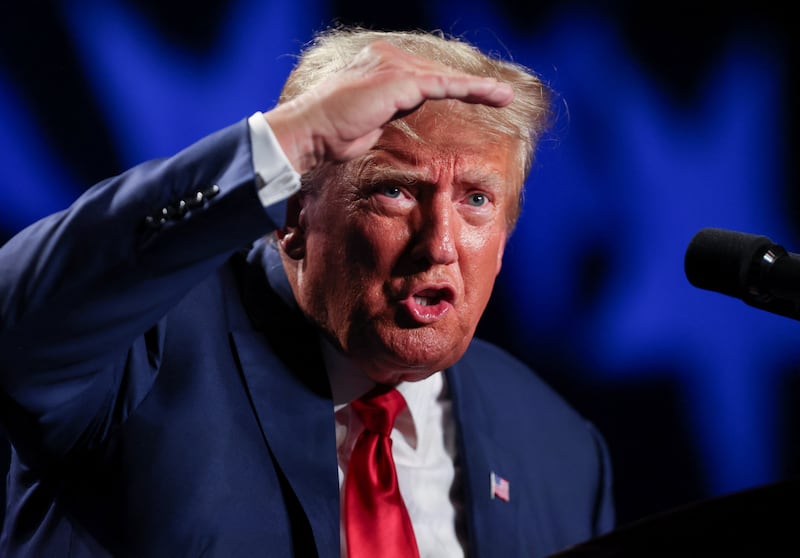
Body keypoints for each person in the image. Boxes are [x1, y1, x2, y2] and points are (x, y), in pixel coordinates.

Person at [0, 26, 614, 557]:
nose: (441, 244)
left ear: (506, 239)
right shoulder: (141, 350)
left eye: (477, 200)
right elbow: (17, 316)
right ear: (294, 212)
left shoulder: (561, 452)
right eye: (395, 190)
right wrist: (284, 141)